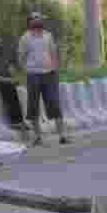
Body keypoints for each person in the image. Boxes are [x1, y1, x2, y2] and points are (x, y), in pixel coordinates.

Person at [17, 12, 69, 146]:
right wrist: (25, 71)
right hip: (33, 75)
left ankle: (62, 135)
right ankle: (38, 137)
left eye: (40, 19)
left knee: (54, 103)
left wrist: (55, 69)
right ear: (31, 22)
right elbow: (21, 56)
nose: (40, 21)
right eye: (37, 19)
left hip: (49, 74)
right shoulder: (25, 38)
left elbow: (53, 53)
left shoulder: (48, 36)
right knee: (33, 106)